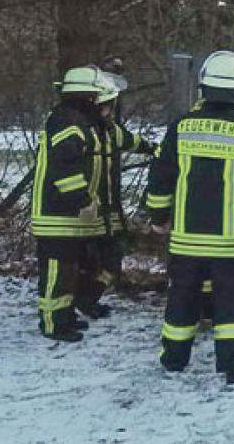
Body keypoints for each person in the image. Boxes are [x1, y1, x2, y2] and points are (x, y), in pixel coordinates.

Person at [146, 50, 234, 383]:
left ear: (204, 87)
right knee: (231, 305)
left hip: (186, 239)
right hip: (229, 241)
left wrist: (158, 214)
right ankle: (233, 368)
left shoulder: (181, 127)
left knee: (181, 297)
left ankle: (174, 360)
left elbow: (161, 175)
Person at [30, 66, 111, 342]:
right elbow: (64, 167)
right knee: (57, 271)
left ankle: (64, 317)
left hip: (67, 216)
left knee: (68, 270)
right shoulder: (69, 123)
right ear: (89, 97)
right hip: (58, 214)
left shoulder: (79, 122)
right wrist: (83, 201)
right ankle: (53, 324)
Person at [77, 66, 156, 319]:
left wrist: (158, 150)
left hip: (105, 212)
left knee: (110, 260)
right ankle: (80, 301)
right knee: (87, 262)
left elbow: (133, 142)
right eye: (108, 104)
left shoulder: (109, 130)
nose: (110, 109)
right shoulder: (82, 130)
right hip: (86, 211)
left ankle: (87, 299)